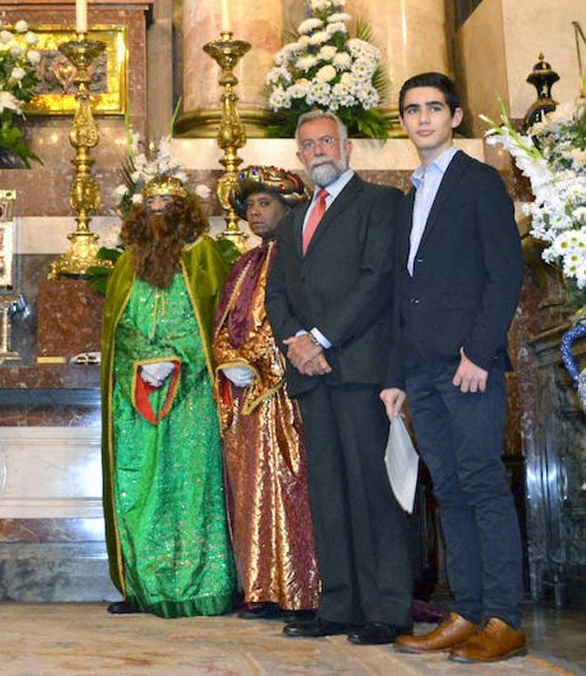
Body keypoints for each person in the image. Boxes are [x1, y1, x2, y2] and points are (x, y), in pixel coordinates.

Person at [381, 72, 527, 663]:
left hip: (468, 365)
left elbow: (505, 273)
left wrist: (481, 352)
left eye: (433, 108)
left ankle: (505, 620)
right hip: (420, 370)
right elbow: (401, 292)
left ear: (456, 116)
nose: (422, 119)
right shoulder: (411, 192)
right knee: (450, 490)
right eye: (412, 110)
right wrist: (394, 376)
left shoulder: (478, 182)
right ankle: (467, 612)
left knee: (484, 485)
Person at [264, 110, 413, 645]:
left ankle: (387, 608)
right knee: (327, 491)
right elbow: (276, 294)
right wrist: (296, 344)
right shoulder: (292, 220)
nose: (318, 150)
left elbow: (377, 281)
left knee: (371, 489)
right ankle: (341, 604)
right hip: (311, 374)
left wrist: (321, 338)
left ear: (347, 149)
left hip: (358, 368)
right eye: (308, 145)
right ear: (300, 158)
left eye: (327, 140)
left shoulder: (380, 203)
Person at [100, 169, 235, 618]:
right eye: (150, 207)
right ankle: (143, 587)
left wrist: (177, 359)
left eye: (167, 208)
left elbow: (218, 325)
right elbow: (118, 329)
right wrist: (141, 365)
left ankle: (200, 587)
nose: (158, 215)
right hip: (136, 396)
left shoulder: (204, 257)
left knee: (191, 490)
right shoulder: (126, 263)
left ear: (184, 214)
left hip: (191, 397)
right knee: (138, 489)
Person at [212, 167, 320, 621]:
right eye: (250, 206)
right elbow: (222, 324)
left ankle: (303, 590)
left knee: (293, 488)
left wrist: (257, 364)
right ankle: (262, 588)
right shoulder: (245, 264)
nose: (255, 213)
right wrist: (227, 360)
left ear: (288, 207)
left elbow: (291, 324)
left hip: (287, 395)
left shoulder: (302, 257)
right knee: (251, 491)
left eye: (265, 205)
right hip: (247, 403)